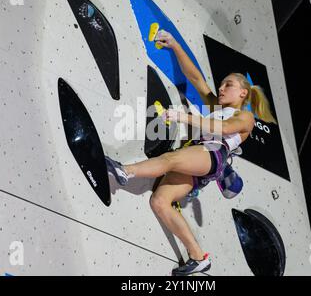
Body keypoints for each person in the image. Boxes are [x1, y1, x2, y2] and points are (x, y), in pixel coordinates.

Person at [106, 30, 277, 276]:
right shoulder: (217, 107)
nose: (221, 87)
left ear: (243, 93)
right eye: (221, 83)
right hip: (200, 159)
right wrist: (175, 45)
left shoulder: (245, 116)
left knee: (169, 160)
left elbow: (224, 128)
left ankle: (123, 171)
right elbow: (196, 78)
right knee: (160, 201)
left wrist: (183, 116)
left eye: (228, 84)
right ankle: (198, 257)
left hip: (212, 155)